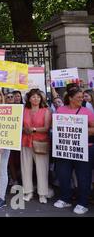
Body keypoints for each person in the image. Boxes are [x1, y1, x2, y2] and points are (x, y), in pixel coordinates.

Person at [53, 85, 94, 215]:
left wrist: (81, 129)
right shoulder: (60, 110)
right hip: (65, 149)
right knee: (63, 175)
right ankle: (65, 198)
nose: (81, 99)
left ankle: (83, 203)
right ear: (70, 98)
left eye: (82, 97)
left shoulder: (87, 111)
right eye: (78, 97)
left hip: (84, 149)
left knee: (83, 177)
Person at [21, 89, 52, 204]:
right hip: (25, 142)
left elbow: (46, 127)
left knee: (42, 168)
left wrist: (33, 129)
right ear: (29, 98)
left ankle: (43, 193)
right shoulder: (24, 110)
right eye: (33, 97)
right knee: (26, 168)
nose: (36, 99)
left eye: (38, 97)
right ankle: (28, 192)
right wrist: (24, 129)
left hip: (41, 142)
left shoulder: (46, 111)